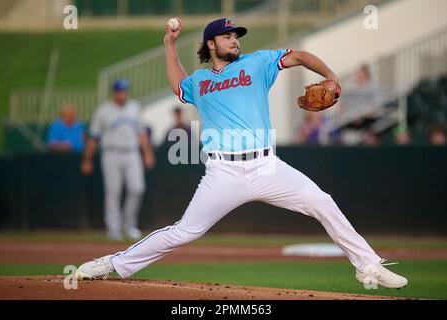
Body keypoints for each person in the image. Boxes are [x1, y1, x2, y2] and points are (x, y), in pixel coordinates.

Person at [76, 18, 407, 289]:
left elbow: (301, 56)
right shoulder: (201, 81)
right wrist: (169, 45)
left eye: (236, 35)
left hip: (267, 166)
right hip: (223, 173)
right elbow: (178, 86)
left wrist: (331, 77)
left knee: (322, 202)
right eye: (227, 36)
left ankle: (369, 268)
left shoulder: (258, 63)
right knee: (184, 232)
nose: (235, 40)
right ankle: (112, 264)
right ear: (211, 44)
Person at [81, 79, 155, 241]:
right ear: (114, 93)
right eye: (119, 91)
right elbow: (94, 136)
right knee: (113, 191)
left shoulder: (134, 107)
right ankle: (113, 227)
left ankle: (129, 225)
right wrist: (87, 159)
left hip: (131, 152)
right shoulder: (104, 111)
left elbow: (142, 133)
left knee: (137, 188)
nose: (122, 94)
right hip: (111, 152)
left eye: (124, 91)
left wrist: (147, 153)